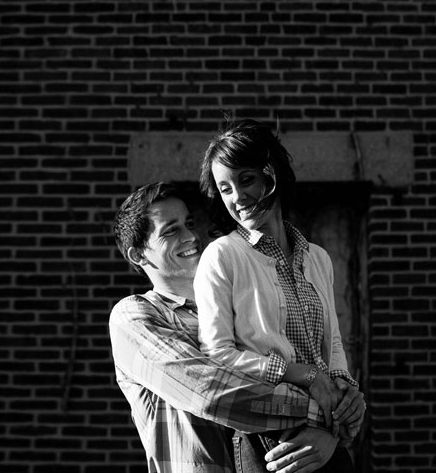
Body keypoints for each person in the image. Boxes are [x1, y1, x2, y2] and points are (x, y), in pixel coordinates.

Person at [109, 181, 361, 473]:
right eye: (171, 230)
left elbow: (300, 366)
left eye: (189, 224)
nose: (191, 236)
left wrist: (332, 425)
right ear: (138, 255)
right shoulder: (136, 316)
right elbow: (209, 391)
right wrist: (324, 414)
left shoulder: (235, 306)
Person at [194, 119, 366, 472]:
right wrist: (305, 375)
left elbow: (332, 342)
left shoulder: (317, 257)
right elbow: (217, 356)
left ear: (271, 174)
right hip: (266, 439)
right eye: (225, 188)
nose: (237, 198)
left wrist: (345, 389)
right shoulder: (222, 256)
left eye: (246, 180)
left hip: (326, 434)